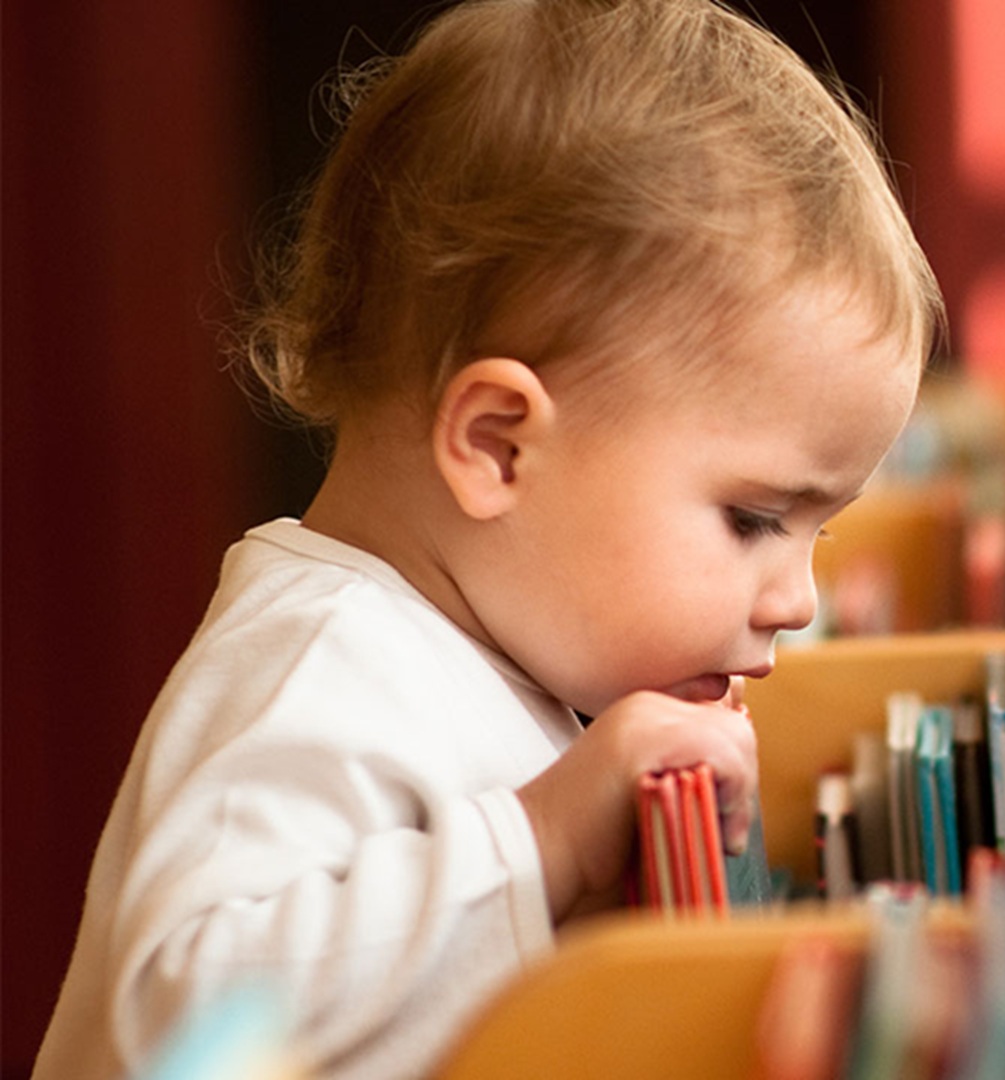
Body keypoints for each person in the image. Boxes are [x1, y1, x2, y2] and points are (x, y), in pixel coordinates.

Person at [34, 0, 940, 1076]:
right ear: (499, 447)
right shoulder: (317, 671)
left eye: (817, 534)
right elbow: (171, 1031)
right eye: (753, 521)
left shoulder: (513, 651)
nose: (795, 597)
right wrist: (544, 842)